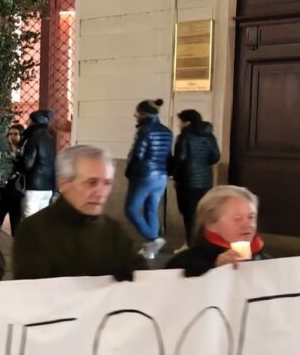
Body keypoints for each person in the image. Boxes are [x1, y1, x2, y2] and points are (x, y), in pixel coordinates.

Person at [13, 145, 149, 280]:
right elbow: (32, 292)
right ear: (63, 184)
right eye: (91, 183)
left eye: (107, 183)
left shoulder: (114, 231)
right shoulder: (33, 230)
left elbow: (144, 278)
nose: (101, 192)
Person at [165, 186, 266, 278]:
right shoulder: (184, 264)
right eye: (238, 218)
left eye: (251, 217)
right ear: (211, 224)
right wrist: (214, 267)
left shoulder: (267, 261)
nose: (248, 224)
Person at [125, 99, 174, 259]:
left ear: (143, 114)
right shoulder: (167, 131)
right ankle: (150, 250)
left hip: (144, 175)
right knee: (151, 209)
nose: (134, 115)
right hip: (161, 176)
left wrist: (129, 172)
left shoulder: (145, 131)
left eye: (137, 112)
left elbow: (138, 155)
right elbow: (167, 156)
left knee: (131, 209)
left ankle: (154, 239)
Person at [168, 109, 220, 243]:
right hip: (205, 181)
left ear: (187, 122)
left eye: (181, 122)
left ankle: (191, 244)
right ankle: (204, 242)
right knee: (203, 214)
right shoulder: (210, 136)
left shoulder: (184, 137)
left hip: (187, 181)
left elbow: (181, 158)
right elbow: (215, 158)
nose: (179, 125)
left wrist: (171, 172)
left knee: (189, 214)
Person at [18, 110, 56, 218]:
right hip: (48, 187)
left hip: (33, 187)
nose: (27, 123)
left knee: (29, 221)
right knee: (41, 221)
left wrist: (18, 160)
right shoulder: (50, 138)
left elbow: (27, 164)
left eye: (29, 120)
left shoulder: (33, 138)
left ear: (34, 122)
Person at [0, 124, 26, 233]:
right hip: (4, 192)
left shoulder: (24, 151)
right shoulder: (4, 150)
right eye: (10, 134)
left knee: (15, 224)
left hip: (16, 193)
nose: (12, 136)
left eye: (15, 134)